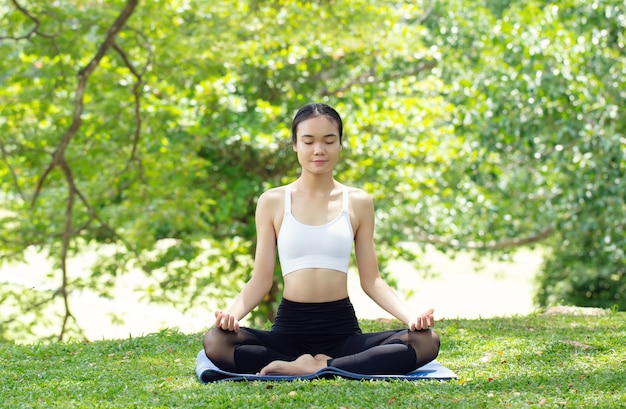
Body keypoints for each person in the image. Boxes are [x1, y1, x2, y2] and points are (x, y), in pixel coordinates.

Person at [203, 102, 440, 376]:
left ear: (340, 144)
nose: (319, 150)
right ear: (295, 145)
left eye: (329, 140)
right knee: (217, 341)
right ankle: (329, 367)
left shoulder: (358, 202)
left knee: (425, 341)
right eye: (308, 141)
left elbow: (372, 280)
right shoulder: (273, 202)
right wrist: (232, 315)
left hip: (342, 333)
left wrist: (412, 318)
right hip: (289, 332)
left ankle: (318, 366)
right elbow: (261, 280)